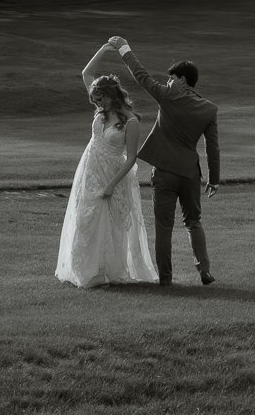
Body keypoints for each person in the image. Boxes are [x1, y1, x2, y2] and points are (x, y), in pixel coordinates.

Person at [110, 35, 221, 286]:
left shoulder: (168, 96)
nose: (168, 81)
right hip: (190, 174)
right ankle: (204, 270)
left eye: (172, 78)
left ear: (182, 80)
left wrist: (124, 48)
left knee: (164, 227)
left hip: (164, 173)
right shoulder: (209, 108)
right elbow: (212, 147)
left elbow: (141, 76)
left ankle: (166, 280)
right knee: (194, 222)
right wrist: (214, 179)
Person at [54, 42, 159, 288]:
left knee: (108, 224)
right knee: (85, 218)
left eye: (101, 99)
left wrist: (112, 184)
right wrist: (104, 49)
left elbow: (132, 157)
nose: (98, 104)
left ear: (113, 95)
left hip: (112, 173)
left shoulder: (131, 122)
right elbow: (86, 74)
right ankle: (86, 271)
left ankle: (105, 272)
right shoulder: (101, 112)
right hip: (89, 170)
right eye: (95, 99)